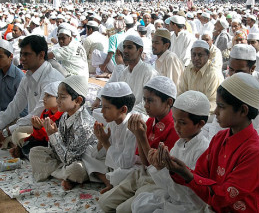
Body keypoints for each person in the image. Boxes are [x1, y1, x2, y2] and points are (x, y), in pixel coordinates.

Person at [160, 73, 259, 213]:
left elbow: (223, 196)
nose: (216, 111)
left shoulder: (256, 152)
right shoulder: (220, 138)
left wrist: (187, 174)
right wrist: (176, 169)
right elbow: (200, 174)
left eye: (221, 106)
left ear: (243, 110)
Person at [98, 76, 179, 213]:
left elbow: (156, 165)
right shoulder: (149, 122)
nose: (146, 105)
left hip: (158, 180)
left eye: (151, 100)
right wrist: (138, 135)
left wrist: (140, 137)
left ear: (168, 102)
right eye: (145, 100)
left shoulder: (174, 128)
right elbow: (143, 160)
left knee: (122, 210)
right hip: (143, 172)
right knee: (104, 203)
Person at [131, 90, 211, 213]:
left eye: (182, 122)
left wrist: (161, 170)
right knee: (139, 204)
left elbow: (190, 193)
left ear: (200, 124)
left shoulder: (202, 151)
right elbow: (167, 185)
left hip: (189, 205)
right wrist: (157, 166)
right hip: (173, 197)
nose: (176, 126)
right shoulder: (180, 143)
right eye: (174, 120)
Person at [0, 35, 64, 147]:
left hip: (47, 127)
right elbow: (16, 105)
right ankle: (10, 142)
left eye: (26, 54)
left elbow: (39, 114)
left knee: (18, 135)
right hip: (30, 122)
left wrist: (4, 132)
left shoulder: (51, 79)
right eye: (21, 54)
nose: (21, 59)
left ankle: (13, 143)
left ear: (41, 55)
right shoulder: (28, 76)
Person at [29, 75, 96, 191]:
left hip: (81, 163)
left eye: (62, 97)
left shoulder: (83, 124)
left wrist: (53, 136)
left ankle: (62, 175)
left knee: (76, 170)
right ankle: (63, 176)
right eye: (57, 96)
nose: (58, 101)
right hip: (64, 158)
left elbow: (71, 160)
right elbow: (56, 149)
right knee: (35, 152)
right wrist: (54, 135)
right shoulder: (66, 115)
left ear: (78, 100)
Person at [83, 82, 137, 194]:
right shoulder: (112, 122)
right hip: (114, 165)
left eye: (106, 107)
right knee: (86, 152)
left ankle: (109, 180)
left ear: (123, 109)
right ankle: (108, 180)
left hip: (127, 169)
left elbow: (125, 164)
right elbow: (98, 155)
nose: (102, 111)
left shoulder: (132, 127)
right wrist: (101, 141)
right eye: (102, 106)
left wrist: (105, 143)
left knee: (124, 173)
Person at [92, 35, 158, 112]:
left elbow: (147, 104)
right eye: (124, 47)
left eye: (129, 47)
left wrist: (124, 113)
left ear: (140, 50)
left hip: (140, 115)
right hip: (124, 112)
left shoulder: (149, 72)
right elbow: (116, 91)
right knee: (97, 112)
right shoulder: (125, 72)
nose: (125, 51)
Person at [9, 81, 63, 159]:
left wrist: (42, 128)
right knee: (27, 146)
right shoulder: (45, 113)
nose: (44, 99)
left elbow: (54, 141)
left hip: (55, 147)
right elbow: (38, 137)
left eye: (48, 96)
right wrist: (37, 128)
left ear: (59, 98)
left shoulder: (63, 116)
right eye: (45, 95)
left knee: (37, 152)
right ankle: (22, 152)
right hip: (45, 142)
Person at [178, 40, 224, 115]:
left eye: (200, 55)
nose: (196, 58)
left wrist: (193, 110)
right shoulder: (188, 70)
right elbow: (181, 93)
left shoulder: (213, 73)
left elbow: (213, 102)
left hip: (209, 115)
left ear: (208, 56)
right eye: (194, 55)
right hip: (189, 112)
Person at [0, 39, 27, 122]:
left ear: (10, 57)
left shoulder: (19, 77)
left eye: (0, 57)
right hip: (0, 114)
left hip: (16, 117)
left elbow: (24, 108)